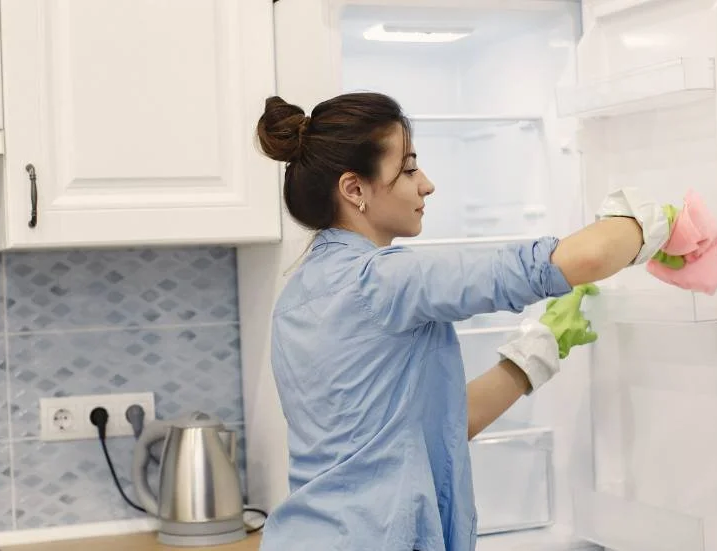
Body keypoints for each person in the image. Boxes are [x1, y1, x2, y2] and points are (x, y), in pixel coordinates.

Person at [254, 92, 670, 551]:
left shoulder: (298, 295)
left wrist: (539, 349)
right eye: (409, 168)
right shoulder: (384, 280)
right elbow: (577, 258)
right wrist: (659, 221)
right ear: (354, 190)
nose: (426, 185)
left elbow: (440, 424)